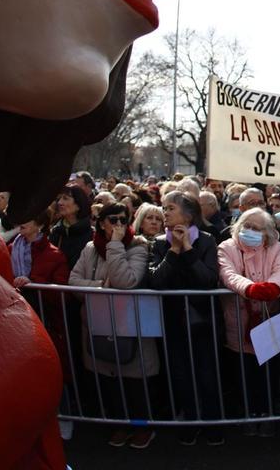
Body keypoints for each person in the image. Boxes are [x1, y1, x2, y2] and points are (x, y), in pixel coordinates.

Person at [69, 202, 156, 449]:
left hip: (129, 324)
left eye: (123, 220)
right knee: (108, 381)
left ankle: (141, 427)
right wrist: (99, 288)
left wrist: (116, 245)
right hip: (98, 323)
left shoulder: (138, 247)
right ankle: (118, 425)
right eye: (113, 220)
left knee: (134, 383)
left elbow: (126, 281)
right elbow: (73, 280)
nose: (119, 225)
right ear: (102, 223)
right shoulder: (89, 249)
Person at [149, 191, 225, 446]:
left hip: (203, 321)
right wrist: (173, 250)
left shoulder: (206, 241)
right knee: (181, 374)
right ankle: (191, 421)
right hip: (172, 321)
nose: (165, 212)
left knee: (208, 373)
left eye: (170, 208)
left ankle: (213, 424)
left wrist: (189, 250)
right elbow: (156, 281)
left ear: (188, 215)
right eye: (164, 207)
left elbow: (207, 279)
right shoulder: (159, 243)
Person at [217, 208, 280, 433]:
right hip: (237, 322)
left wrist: (274, 287)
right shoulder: (226, 247)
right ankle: (248, 416)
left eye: (256, 228)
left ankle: (266, 415)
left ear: (266, 233)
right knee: (242, 374)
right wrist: (250, 288)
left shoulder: (276, 248)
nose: (250, 231)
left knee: (268, 374)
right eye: (246, 225)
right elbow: (228, 274)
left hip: (269, 321)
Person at [50, 184, 95, 274]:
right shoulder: (56, 232)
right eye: (60, 198)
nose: (59, 203)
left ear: (78, 205)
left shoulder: (92, 235)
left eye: (65, 198)